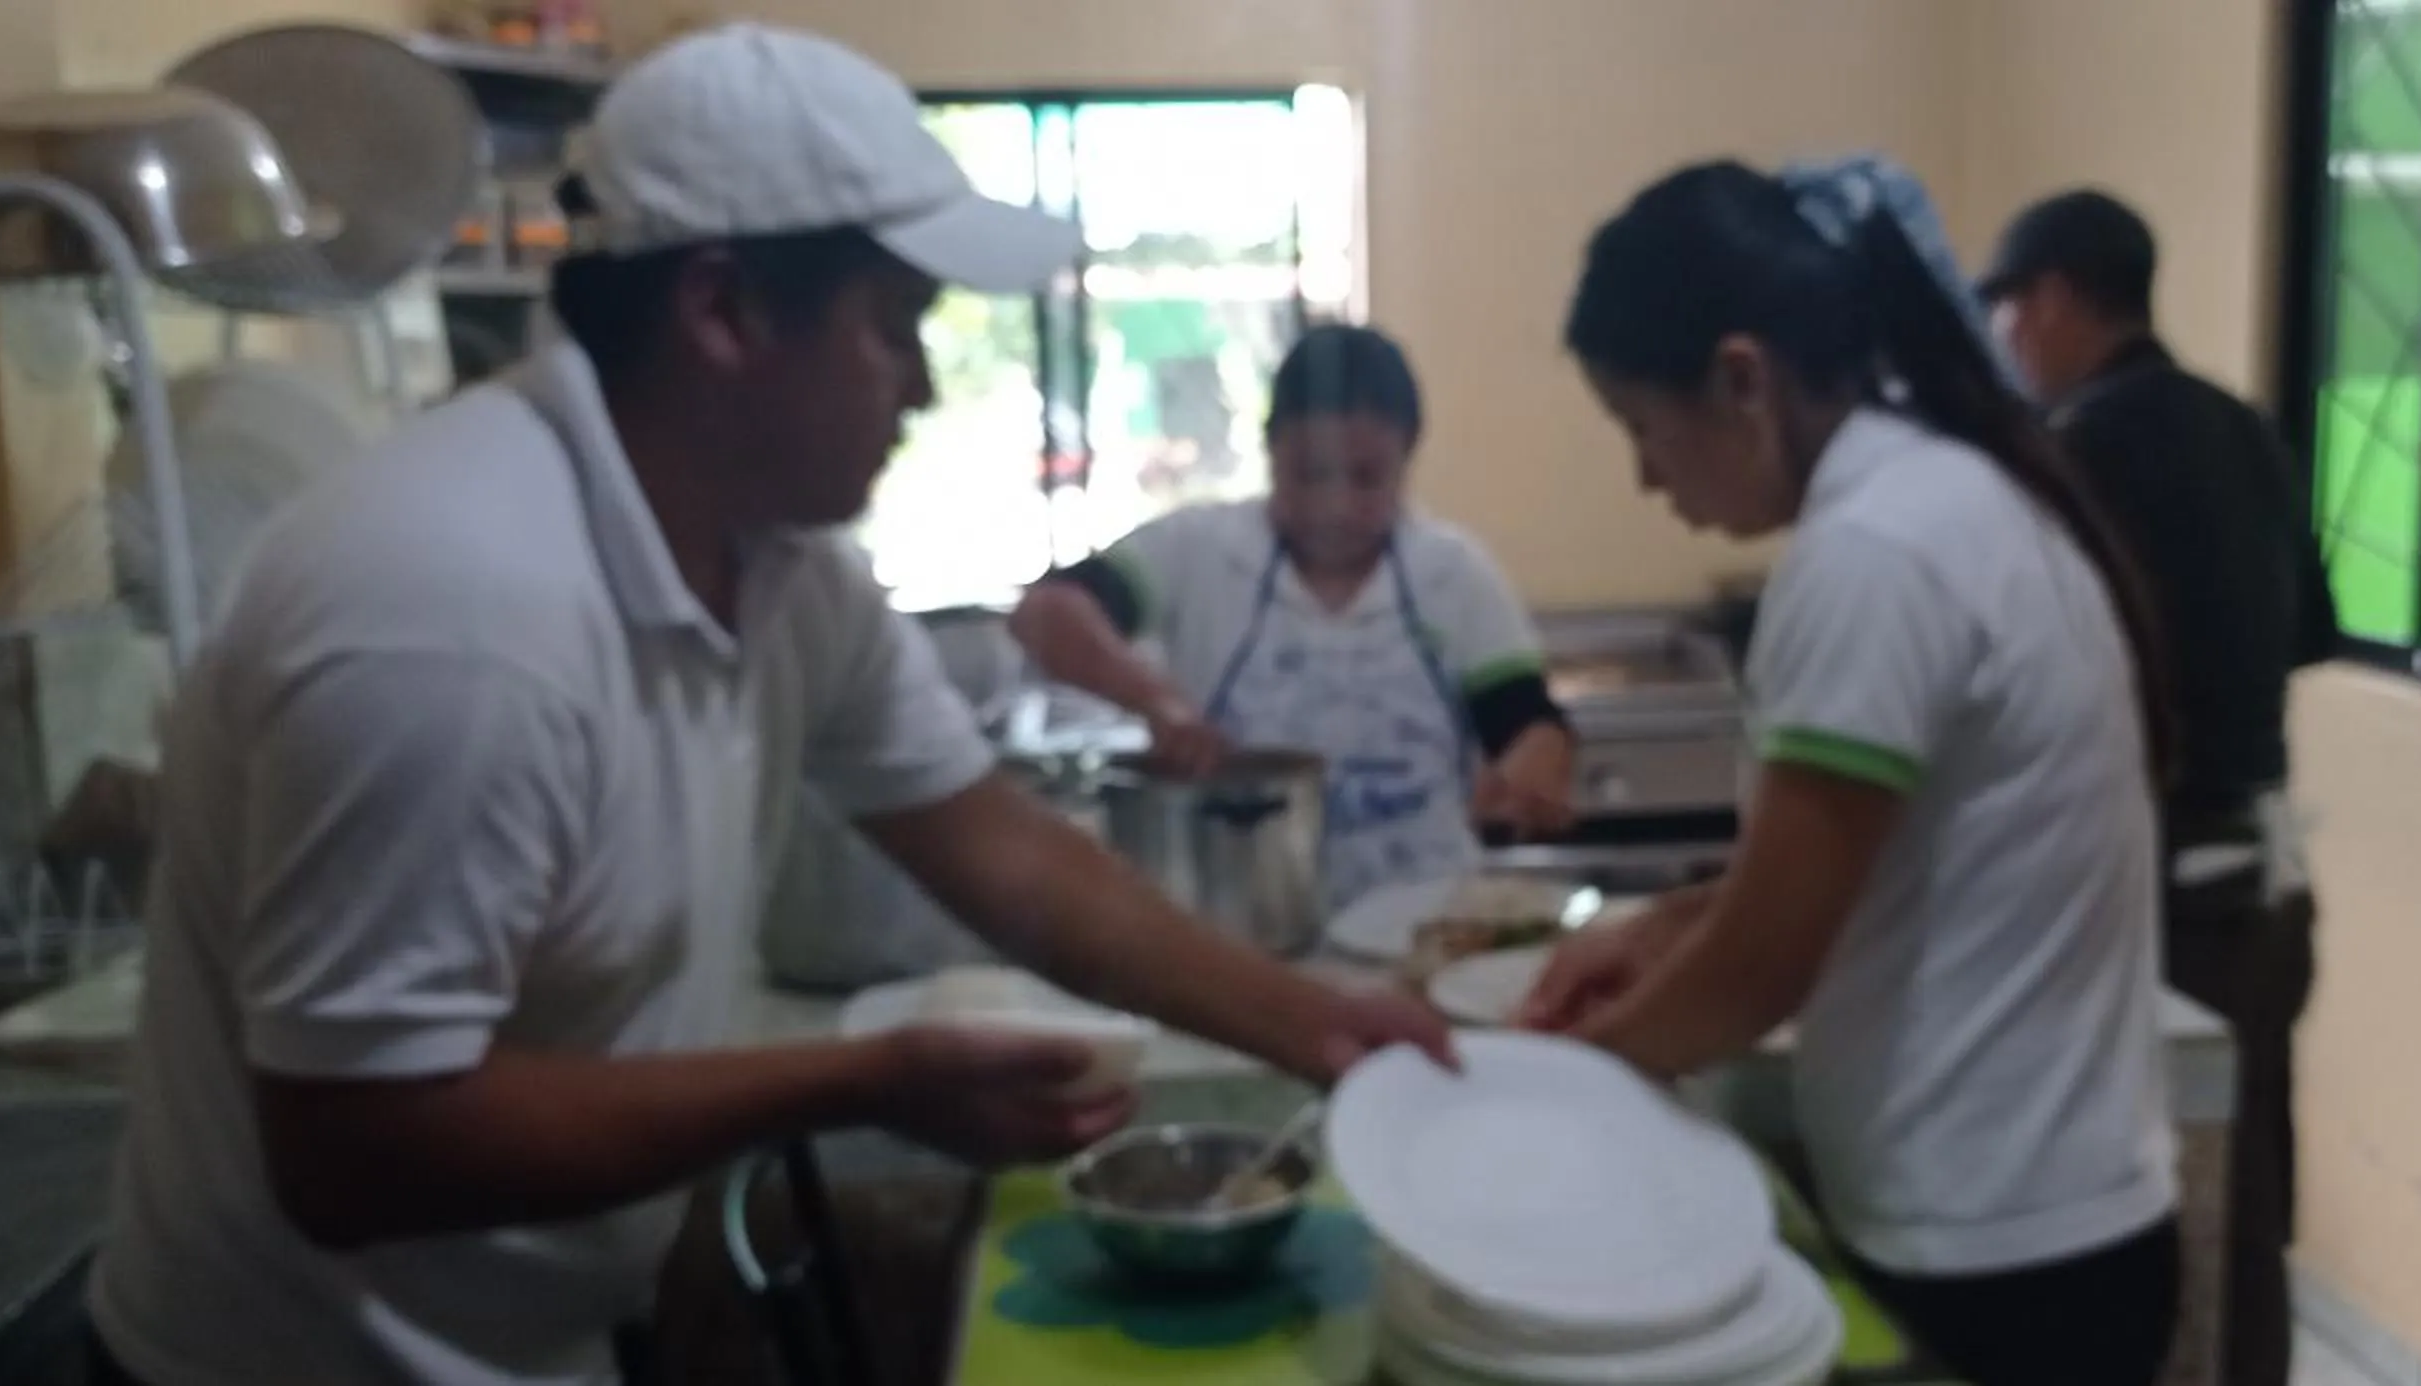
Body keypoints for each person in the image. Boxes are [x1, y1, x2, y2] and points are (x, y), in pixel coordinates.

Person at [85, 26, 1449, 1386]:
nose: (920, 384)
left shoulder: (784, 567)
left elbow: (998, 846)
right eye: (893, 326)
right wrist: (863, 1082)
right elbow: (355, 1145)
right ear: (724, 311)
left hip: (523, 1342)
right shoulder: (451, 614)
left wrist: (1313, 1025)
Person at [1518, 156, 2183, 1386]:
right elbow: (1887, 863)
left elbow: (1766, 967)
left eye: (1643, 430)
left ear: (1741, 381)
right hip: (2065, 1227)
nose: (1648, 478)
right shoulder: (1960, 494)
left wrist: (1545, 1084)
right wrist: (1665, 924)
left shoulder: (1875, 552)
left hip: (1994, 1259)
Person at [1979, 188, 2339, 1386]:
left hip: (2159, 907)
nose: (2010, 344)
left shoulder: (2074, 451)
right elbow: (2300, 638)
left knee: (2146, 1229)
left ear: (2060, 299)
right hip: (2270, 885)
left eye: (2013, 313)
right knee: (2249, 1217)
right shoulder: (2245, 430)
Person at [1010, 323, 1577, 911]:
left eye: (1366, 478)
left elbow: (1527, 720)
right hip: (1240, 919)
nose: (1336, 506)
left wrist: (1530, 771)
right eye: (1311, 475)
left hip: (1428, 918)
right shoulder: (1199, 550)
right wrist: (1159, 704)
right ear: (1270, 449)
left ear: (1408, 457)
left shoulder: (1452, 573)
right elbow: (1046, 612)